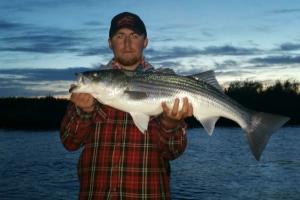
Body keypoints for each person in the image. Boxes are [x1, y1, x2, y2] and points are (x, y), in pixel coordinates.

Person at [60, 12, 193, 200]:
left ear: (145, 42)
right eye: (120, 36)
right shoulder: (89, 91)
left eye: (134, 36)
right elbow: (69, 142)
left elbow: (173, 152)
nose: (127, 43)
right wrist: (83, 112)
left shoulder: (166, 85)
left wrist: (170, 124)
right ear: (110, 43)